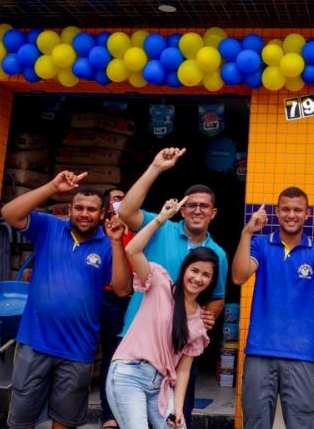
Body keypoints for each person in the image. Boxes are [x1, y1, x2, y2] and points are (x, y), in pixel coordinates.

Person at [1, 170, 131, 429]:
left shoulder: (108, 245)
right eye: (79, 208)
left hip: (77, 348)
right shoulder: (49, 227)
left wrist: (117, 243)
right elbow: (9, 213)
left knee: (65, 422)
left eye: (91, 209)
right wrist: (52, 187)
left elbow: (122, 289)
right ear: (69, 210)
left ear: (102, 214)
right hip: (35, 341)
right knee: (21, 421)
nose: (84, 214)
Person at [117, 147, 229, 427]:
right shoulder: (161, 227)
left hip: (179, 351)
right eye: (191, 204)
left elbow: (217, 297)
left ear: (214, 213)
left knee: (175, 419)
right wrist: (156, 167)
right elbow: (126, 212)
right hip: (139, 346)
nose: (197, 210)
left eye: (204, 206)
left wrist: (207, 315)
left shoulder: (218, 254)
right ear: (182, 208)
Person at [232, 187, 314, 429]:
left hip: (300, 355)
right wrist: (247, 232)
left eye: (298, 210)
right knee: (255, 423)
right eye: (285, 209)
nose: (291, 215)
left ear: (307, 214)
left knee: (301, 424)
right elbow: (239, 276)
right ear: (277, 212)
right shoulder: (261, 244)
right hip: (260, 352)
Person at [107, 195, 218, 429]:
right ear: (184, 270)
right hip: (129, 374)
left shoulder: (199, 321)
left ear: (211, 281)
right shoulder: (159, 283)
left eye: (206, 275)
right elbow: (133, 249)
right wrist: (160, 219)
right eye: (194, 271)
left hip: (161, 386)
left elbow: (184, 370)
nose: (198, 278)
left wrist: (178, 409)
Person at [99, 187, 128, 429]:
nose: (122, 202)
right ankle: (108, 413)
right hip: (101, 297)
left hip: (127, 298)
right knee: (106, 354)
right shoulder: (98, 232)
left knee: (118, 355)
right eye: (117, 198)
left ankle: (117, 413)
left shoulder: (133, 229)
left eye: (124, 198)